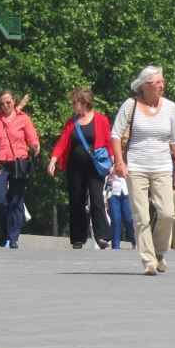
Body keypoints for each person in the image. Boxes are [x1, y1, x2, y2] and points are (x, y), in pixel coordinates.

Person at [110, 65, 175, 276]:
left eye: (163, 81)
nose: (163, 85)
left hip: (162, 167)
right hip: (136, 167)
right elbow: (115, 135)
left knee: (167, 214)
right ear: (146, 85)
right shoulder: (130, 105)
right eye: (158, 82)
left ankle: (159, 252)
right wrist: (119, 162)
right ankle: (149, 261)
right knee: (141, 216)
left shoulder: (170, 107)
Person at [47, 87, 113, 249]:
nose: (73, 105)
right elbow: (63, 142)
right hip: (74, 167)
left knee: (97, 198)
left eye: (74, 102)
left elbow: (108, 142)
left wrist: (114, 161)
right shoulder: (72, 122)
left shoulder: (101, 120)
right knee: (77, 200)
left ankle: (102, 236)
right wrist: (53, 160)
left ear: (84, 103)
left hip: (95, 166)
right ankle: (78, 237)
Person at [0, 89, 40, 249]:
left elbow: (32, 137)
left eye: (8, 102)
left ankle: (13, 237)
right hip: (0, 162)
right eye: (2, 103)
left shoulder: (23, 119)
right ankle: (4, 231)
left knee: (16, 200)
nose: (6, 105)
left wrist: (34, 145)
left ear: (14, 101)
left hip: (19, 161)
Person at [104, 171, 133, 249]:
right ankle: (116, 246)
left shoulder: (128, 160)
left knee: (129, 219)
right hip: (112, 193)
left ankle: (133, 240)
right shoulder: (110, 160)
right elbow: (106, 178)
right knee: (116, 219)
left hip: (127, 192)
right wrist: (105, 197)